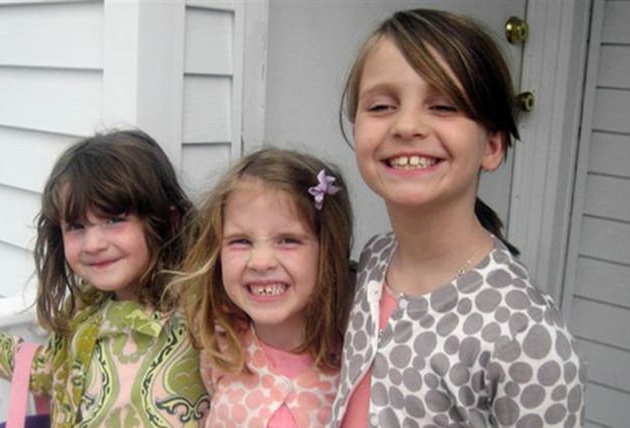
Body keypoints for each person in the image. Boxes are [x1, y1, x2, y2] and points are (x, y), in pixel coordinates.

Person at [331, 9, 585, 427]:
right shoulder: (375, 259)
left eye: (444, 106)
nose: (407, 125)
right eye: (380, 105)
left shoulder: (526, 335)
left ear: (493, 146)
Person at [0, 130, 209, 427]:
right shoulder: (84, 311)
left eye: (114, 219)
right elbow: (52, 372)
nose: (93, 244)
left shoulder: (205, 311)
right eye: (76, 226)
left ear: (166, 221)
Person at [174, 148, 354, 427]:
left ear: (327, 250)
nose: (260, 261)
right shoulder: (219, 347)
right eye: (241, 241)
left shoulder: (354, 359)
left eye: (288, 240)